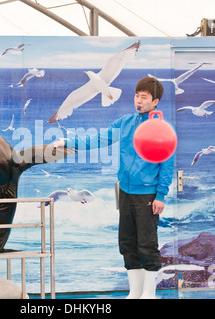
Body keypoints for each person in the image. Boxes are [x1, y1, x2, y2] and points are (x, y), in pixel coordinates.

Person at [53, 76, 175, 299]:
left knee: (147, 243)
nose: (138, 101)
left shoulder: (162, 129)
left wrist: (161, 194)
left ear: (155, 101)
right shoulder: (125, 122)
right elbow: (98, 139)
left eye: (144, 97)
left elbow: (167, 164)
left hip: (147, 192)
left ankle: (149, 294)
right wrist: (67, 143)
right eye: (137, 96)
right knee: (127, 242)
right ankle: (135, 292)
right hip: (124, 191)